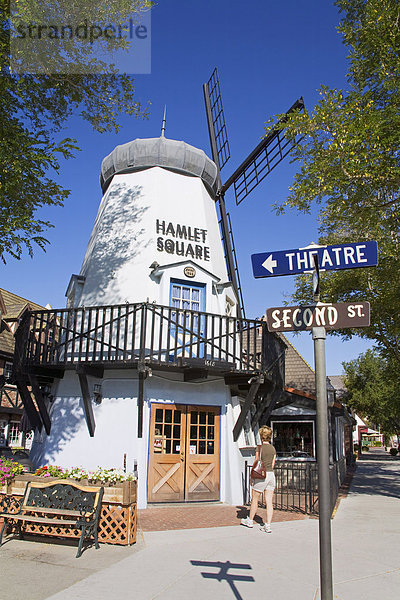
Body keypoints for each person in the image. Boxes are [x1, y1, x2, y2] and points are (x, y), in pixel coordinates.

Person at [241, 425, 276, 533]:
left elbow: (256, 461)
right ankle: (268, 525)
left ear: (261, 436)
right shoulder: (272, 448)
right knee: (269, 501)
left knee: (255, 498)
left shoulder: (259, 448)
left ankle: (250, 520)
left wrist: (252, 476)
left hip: (262, 475)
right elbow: (273, 463)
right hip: (271, 475)